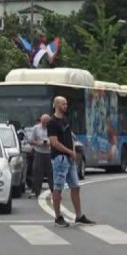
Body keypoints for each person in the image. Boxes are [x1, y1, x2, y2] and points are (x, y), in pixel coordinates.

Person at [47, 96, 95, 228]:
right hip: (59, 158)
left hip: (69, 158)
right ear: (56, 105)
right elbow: (54, 142)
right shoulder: (52, 122)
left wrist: (73, 150)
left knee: (75, 186)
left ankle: (79, 215)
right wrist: (69, 151)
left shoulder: (66, 120)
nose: (65, 106)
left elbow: (70, 137)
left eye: (66, 104)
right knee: (58, 188)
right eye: (63, 104)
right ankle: (57, 217)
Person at [28, 114, 52, 199]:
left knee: (51, 173)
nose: (44, 124)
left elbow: (57, 140)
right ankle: (36, 191)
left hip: (50, 153)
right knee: (37, 173)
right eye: (43, 122)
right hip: (39, 152)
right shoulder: (36, 128)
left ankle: (54, 192)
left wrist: (50, 143)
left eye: (46, 122)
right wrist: (39, 143)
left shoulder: (52, 128)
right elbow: (31, 140)